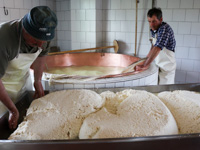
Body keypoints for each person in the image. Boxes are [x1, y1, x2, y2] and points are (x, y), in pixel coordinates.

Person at [0, 6, 57, 130]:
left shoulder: (43, 38)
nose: (41, 45)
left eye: (44, 41)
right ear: (25, 29)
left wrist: (37, 80)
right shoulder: (3, 39)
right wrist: (12, 109)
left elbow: (41, 56)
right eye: (36, 41)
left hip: (21, 84)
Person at [135, 7, 176, 85]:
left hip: (167, 67)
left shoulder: (165, 29)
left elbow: (157, 48)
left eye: (154, 21)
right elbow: (153, 48)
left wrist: (145, 65)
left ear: (161, 19)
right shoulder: (154, 30)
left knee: (165, 92)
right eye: (149, 21)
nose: (151, 25)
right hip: (159, 65)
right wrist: (143, 61)